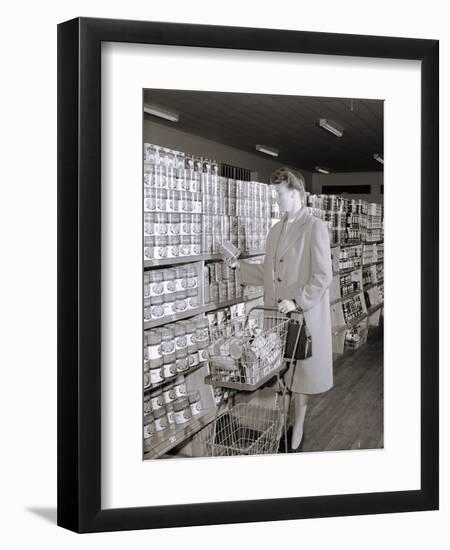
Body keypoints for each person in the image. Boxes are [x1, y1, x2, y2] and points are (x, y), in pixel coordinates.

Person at [229, 167, 334, 451]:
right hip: (276, 316)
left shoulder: (315, 227)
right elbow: (268, 271)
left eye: (279, 194)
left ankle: (298, 423)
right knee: (282, 374)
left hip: (301, 315)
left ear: (296, 193)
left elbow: (323, 275)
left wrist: (298, 301)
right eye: (275, 193)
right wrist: (241, 268)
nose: (276, 199)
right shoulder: (276, 230)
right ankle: (282, 423)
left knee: (300, 376)